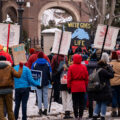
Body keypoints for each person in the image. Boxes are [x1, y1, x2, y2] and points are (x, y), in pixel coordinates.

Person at [92, 52, 114, 120]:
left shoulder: (96, 69)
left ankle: (95, 115)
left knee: (98, 102)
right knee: (104, 103)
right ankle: (102, 116)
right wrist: (110, 68)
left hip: (97, 88)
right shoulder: (103, 71)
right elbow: (111, 75)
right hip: (104, 89)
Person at [0, 55, 23, 120]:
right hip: (8, 91)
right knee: (10, 110)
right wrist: (21, 67)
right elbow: (18, 75)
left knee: (0, 110)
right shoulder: (9, 68)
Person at [67, 54, 88, 119]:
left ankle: (76, 115)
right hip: (82, 86)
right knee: (81, 102)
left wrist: (69, 86)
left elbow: (69, 78)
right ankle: (81, 116)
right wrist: (86, 85)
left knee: (75, 102)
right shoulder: (84, 67)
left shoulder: (71, 67)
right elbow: (86, 77)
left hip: (74, 86)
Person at [31, 51, 52, 116]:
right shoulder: (47, 63)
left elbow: (32, 73)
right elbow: (50, 73)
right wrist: (50, 80)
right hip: (46, 82)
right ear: (43, 56)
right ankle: (45, 109)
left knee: (39, 96)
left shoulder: (34, 63)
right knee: (45, 96)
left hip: (38, 82)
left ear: (37, 56)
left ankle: (40, 109)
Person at [86, 52, 98, 119]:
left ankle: (90, 114)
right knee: (97, 99)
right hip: (97, 83)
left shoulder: (87, 65)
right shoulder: (98, 65)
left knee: (90, 99)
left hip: (89, 83)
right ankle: (96, 113)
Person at [110, 51, 120, 117]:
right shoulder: (119, 64)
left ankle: (114, 112)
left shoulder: (110, 64)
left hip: (112, 83)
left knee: (114, 97)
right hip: (119, 82)